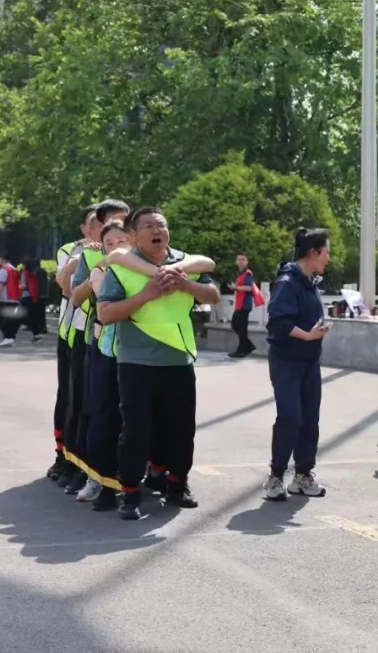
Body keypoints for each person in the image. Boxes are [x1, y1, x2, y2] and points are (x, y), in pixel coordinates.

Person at [98, 207, 221, 520]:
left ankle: (177, 485)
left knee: (181, 429)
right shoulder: (123, 267)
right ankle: (130, 493)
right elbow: (106, 313)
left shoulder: (184, 263)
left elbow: (212, 295)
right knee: (136, 431)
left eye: (161, 225)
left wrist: (185, 284)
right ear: (134, 235)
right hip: (136, 362)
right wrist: (147, 294)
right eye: (148, 226)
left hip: (178, 359)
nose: (156, 230)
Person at [61, 199, 132, 495]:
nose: (119, 229)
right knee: (98, 410)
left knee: (133, 415)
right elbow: (73, 295)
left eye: (125, 222)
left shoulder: (143, 257)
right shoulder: (89, 256)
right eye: (112, 225)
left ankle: (133, 477)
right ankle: (95, 476)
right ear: (99, 228)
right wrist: (93, 277)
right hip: (100, 341)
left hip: (137, 345)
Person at [262, 228, 332, 501]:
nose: (328, 258)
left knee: (310, 419)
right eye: (326, 252)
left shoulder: (310, 282)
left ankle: (302, 476)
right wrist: (308, 335)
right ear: (313, 252)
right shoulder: (288, 282)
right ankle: (276, 476)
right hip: (287, 361)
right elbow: (278, 323)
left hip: (310, 362)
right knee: (290, 416)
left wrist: (317, 331)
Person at [46, 205, 97, 483]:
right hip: (73, 333)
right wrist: (80, 261)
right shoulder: (71, 250)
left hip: (108, 337)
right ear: (84, 228)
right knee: (70, 397)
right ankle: (64, 457)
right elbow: (66, 288)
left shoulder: (125, 251)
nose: (103, 228)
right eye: (96, 223)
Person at [230, 253, 258, 358]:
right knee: (235, 326)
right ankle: (248, 346)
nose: (240, 261)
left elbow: (249, 288)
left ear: (247, 262)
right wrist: (235, 287)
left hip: (244, 305)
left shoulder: (248, 273)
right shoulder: (240, 274)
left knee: (241, 328)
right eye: (238, 259)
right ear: (236, 262)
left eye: (243, 259)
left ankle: (242, 350)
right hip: (239, 305)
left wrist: (236, 287)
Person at [0, 254, 23, 346]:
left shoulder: (3, 270)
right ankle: (9, 337)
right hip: (15, 297)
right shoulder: (14, 269)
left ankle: (8, 336)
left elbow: (0, 284)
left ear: (1, 260)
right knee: (10, 319)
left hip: (5, 297)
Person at [20, 258, 47, 341]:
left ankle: (36, 330)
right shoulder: (38, 272)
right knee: (37, 313)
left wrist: (18, 287)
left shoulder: (29, 273)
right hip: (37, 295)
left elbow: (24, 285)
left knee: (29, 315)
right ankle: (39, 329)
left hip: (29, 295)